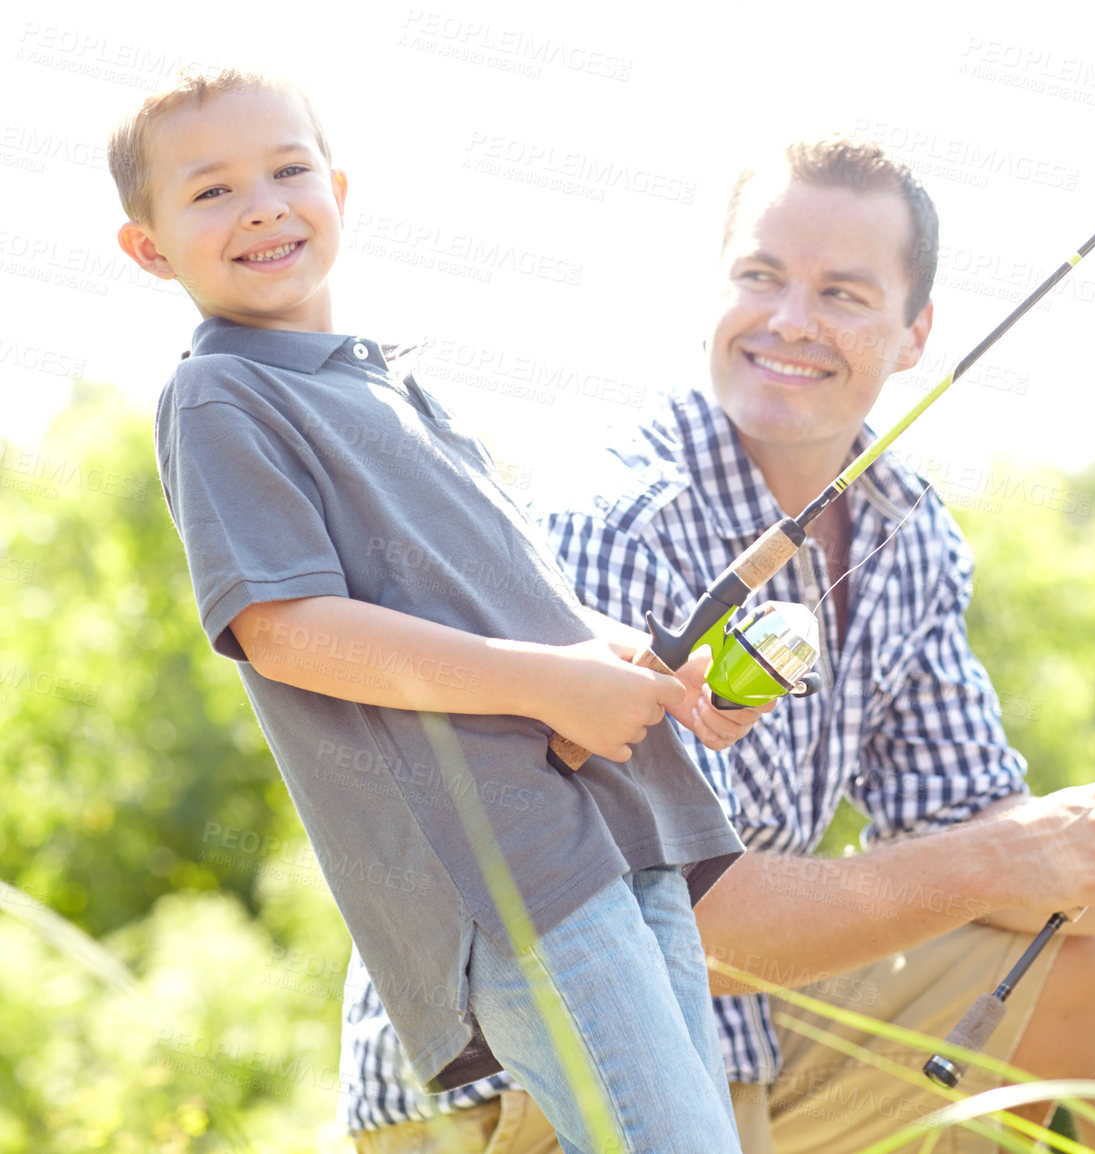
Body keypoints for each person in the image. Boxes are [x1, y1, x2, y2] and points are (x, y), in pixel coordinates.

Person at [342, 138, 1095, 1154]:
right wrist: (1004, 858)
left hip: (733, 1037)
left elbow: (972, 823)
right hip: (529, 1085)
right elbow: (674, 928)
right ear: (716, 290)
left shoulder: (905, 532)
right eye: (760, 277)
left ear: (914, 334)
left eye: (842, 293)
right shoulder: (618, 525)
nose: (790, 320)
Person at [111, 66, 765, 1154]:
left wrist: (623, 662)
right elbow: (288, 629)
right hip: (511, 870)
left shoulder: (396, 387)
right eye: (212, 191)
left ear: (340, 189)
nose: (265, 204)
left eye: (287, 170)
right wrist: (553, 685)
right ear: (149, 247)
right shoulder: (219, 393)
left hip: (617, 825)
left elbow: (513, 604)